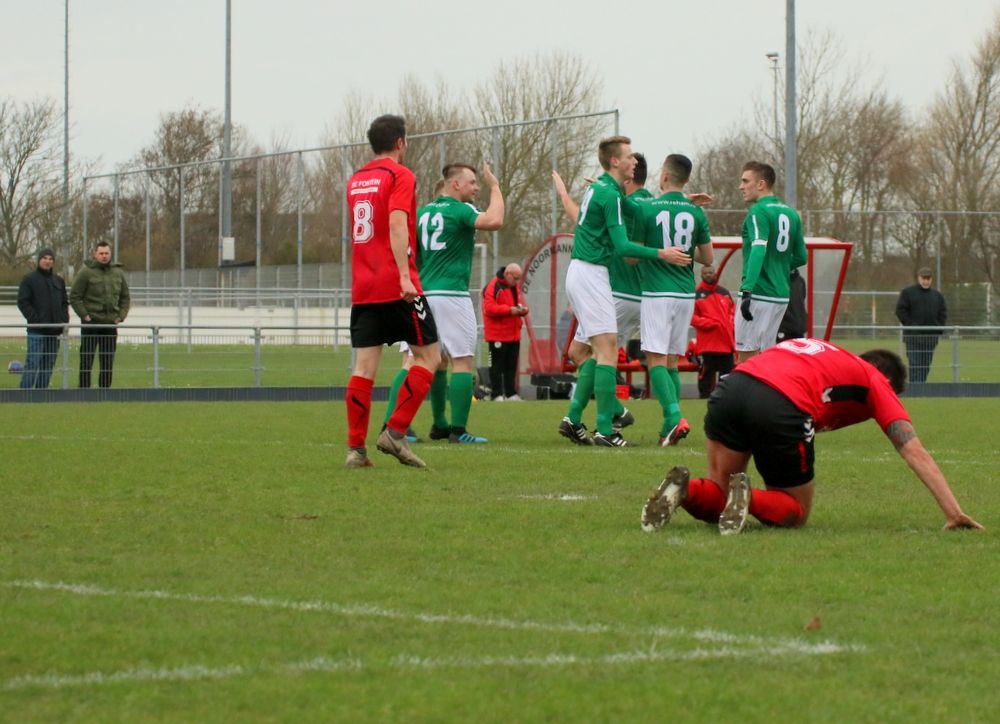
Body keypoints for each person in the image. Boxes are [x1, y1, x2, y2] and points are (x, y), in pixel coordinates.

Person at [640, 338, 983, 534]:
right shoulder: (874, 379)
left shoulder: (819, 349)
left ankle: (685, 490)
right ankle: (749, 499)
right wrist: (953, 511)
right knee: (796, 511)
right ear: (889, 382)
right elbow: (914, 450)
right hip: (781, 401)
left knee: (717, 490)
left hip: (731, 388)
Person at [553, 135, 689, 447]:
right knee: (605, 352)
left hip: (588, 274)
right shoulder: (609, 193)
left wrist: (684, 199)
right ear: (615, 161)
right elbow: (623, 246)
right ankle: (606, 429)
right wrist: (662, 253)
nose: (635, 161)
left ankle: (588, 419)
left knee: (594, 351)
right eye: (629, 156)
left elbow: (639, 210)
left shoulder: (603, 188)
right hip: (591, 274)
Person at [344, 114, 441, 469]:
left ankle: (356, 450)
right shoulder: (401, 175)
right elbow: (397, 224)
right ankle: (395, 432)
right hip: (396, 285)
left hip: (363, 285)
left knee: (363, 368)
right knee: (430, 357)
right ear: (401, 142)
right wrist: (405, 277)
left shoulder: (356, 180)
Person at [416, 161, 505, 443]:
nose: (476, 188)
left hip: (423, 294)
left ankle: (427, 425)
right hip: (452, 295)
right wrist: (495, 186)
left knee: (423, 362)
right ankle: (458, 430)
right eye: (472, 183)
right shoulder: (461, 210)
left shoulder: (421, 214)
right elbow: (495, 220)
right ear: (455, 184)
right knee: (463, 361)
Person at [632, 154, 713, 446]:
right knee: (671, 362)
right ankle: (669, 424)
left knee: (653, 359)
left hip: (657, 292)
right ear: (686, 180)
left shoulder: (647, 209)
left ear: (664, 175)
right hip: (685, 294)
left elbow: (631, 255)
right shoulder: (696, 212)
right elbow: (708, 258)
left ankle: (676, 417)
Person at [735, 161, 807, 362]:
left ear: (761, 184)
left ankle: (747, 394)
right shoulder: (791, 213)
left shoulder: (759, 211)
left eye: (745, 181)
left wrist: (747, 288)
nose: (741, 186)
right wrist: (779, 267)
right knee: (766, 356)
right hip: (781, 295)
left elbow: (759, 248)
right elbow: (802, 256)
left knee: (747, 356)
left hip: (757, 292)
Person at [70, 241, 130, 388]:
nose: (104, 256)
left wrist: (120, 316)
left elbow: (125, 297)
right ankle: (84, 392)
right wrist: (85, 316)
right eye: (101, 253)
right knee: (86, 359)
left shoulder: (118, 273)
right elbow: (75, 296)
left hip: (110, 324)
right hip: (91, 323)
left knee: (107, 361)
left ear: (110, 254)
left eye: (106, 253)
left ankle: (104, 392)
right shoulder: (86, 272)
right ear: (95, 254)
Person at [16, 247, 69, 389]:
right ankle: (25, 394)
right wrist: (35, 320)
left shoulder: (58, 280)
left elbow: (64, 303)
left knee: (48, 365)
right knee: (33, 362)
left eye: (50, 259)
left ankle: (42, 394)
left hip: (54, 332)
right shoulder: (29, 279)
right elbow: (23, 302)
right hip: (36, 331)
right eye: (45, 258)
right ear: (39, 260)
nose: (48, 261)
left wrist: (64, 320)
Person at [483, 263, 528, 401]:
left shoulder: (515, 287)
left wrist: (523, 310)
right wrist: (509, 310)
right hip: (497, 335)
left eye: (519, 279)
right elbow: (489, 308)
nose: (517, 282)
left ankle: (510, 393)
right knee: (496, 367)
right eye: (515, 278)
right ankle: (496, 394)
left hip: (513, 334)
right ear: (507, 273)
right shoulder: (493, 286)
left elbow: (520, 304)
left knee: (511, 366)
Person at [895, 267, 947, 384]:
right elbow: (900, 311)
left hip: (930, 338)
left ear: (931, 279)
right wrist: (911, 326)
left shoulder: (937, 295)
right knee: (915, 365)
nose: (926, 281)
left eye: (928, 279)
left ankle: (922, 389)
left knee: (925, 366)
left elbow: (943, 313)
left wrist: (938, 329)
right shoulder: (908, 293)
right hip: (913, 338)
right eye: (923, 278)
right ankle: (915, 390)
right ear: (918, 278)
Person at [691, 264, 735, 399]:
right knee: (706, 374)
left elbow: (733, 311)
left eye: (711, 272)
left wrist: (730, 323)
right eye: (706, 273)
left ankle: (725, 400)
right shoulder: (696, 294)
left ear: (715, 273)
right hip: (707, 344)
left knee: (727, 376)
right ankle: (703, 399)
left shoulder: (724, 292)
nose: (709, 275)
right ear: (701, 275)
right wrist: (709, 324)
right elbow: (691, 317)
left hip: (725, 343)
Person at [776, 267, 808, 343]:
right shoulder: (778, 280)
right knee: (783, 354)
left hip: (799, 330)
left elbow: (801, 300)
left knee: (799, 353)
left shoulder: (800, 280)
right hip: (784, 330)